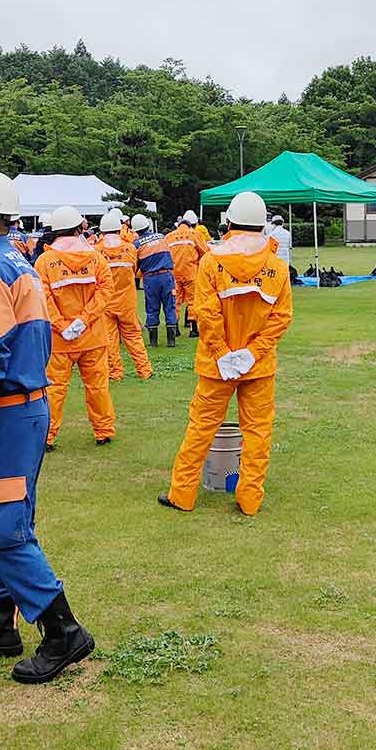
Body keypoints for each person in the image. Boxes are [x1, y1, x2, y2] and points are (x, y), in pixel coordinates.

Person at [0, 171, 94, 685]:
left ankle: (63, 632)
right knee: (6, 515)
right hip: (25, 409)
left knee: (3, 525)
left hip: (5, 414)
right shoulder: (18, 264)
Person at [160, 192, 293, 518]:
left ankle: (183, 495)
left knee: (201, 427)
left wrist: (223, 353)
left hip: (216, 364)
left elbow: (205, 313)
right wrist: (252, 353)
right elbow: (281, 317)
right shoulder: (277, 267)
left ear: (228, 221)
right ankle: (249, 500)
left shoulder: (212, 261)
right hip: (258, 366)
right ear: (264, 224)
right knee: (258, 432)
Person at [35, 205, 116, 449]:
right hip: (93, 336)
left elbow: (43, 298)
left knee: (55, 389)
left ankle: (46, 437)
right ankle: (103, 432)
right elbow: (105, 290)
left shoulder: (45, 261)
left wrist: (63, 325)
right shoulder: (95, 257)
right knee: (98, 387)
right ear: (78, 227)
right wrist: (84, 320)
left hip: (59, 341)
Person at [96, 209, 153, 382]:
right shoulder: (129, 248)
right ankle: (144, 370)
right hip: (127, 301)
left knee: (110, 340)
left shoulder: (96, 251)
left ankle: (115, 373)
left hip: (105, 303)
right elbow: (134, 269)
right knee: (134, 336)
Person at [133, 213, 177, 347]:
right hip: (167, 275)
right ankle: (171, 341)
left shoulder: (136, 244)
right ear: (148, 225)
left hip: (150, 278)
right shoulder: (162, 237)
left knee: (152, 308)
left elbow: (135, 265)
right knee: (170, 305)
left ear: (136, 229)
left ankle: (153, 342)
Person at [167, 213, 207, 337]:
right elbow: (205, 252)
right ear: (191, 226)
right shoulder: (195, 235)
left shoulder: (169, 237)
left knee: (176, 301)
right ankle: (193, 329)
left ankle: (174, 329)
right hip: (191, 272)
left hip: (174, 274)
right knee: (192, 301)